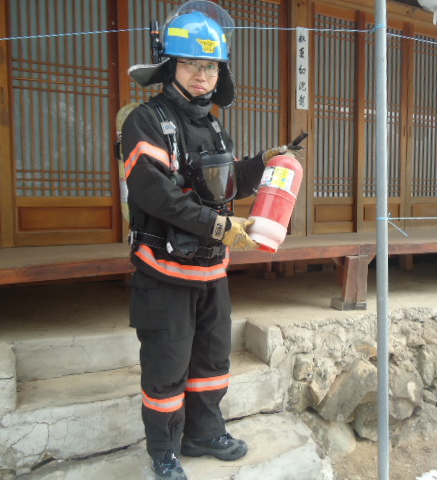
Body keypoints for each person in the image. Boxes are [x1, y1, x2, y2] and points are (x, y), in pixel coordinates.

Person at [121, 2, 290, 479]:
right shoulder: (145, 120)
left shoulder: (213, 124)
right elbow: (157, 195)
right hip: (163, 269)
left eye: (211, 66)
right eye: (192, 63)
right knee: (167, 362)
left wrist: (262, 162)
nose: (202, 75)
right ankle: (165, 451)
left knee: (212, 358)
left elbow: (224, 185)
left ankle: (205, 433)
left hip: (211, 267)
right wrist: (219, 227)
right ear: (170, 64)